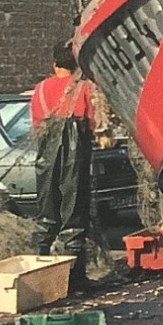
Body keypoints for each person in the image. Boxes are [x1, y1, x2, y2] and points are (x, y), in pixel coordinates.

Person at [32, 38, 105, 294]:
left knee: (46, 215)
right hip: (75, 158)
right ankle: (74, 280)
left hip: (46, 161)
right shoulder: (84, 87)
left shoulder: (39, 90)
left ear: (54, 65)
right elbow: (95, 124)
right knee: (73, 215)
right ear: (76, 63)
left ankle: (39, 277)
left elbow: (36, 126)